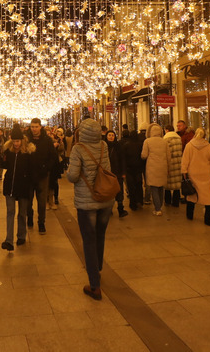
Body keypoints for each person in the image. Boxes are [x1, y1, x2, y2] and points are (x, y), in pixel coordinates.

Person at [67, 118, 115, 301]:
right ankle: (97, 268)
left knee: (88, 240)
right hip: (105, 199)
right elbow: (107, 169)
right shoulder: (103, 145)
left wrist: (79, 172)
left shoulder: (78, 149)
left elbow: (71, 176)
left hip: (87, 203)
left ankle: (94, 285)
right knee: (100, 235)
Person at [0, 125, 35, 250]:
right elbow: (4, 165)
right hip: (10, 185)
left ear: (22, 140)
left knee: (22, 213)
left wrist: (31, 186)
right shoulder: (8, 151)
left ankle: (21, 235)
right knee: (10, 212)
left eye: (18, 141)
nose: (16, 144)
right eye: (14, 141)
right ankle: (9, 240)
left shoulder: (28, 153)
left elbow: (31, 171)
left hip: (24, 186)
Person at [24, 118, 58, 234]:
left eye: (36, 126)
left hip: (42, 175)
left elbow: (53, 156)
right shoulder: (26, 139)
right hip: (28, 175)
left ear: (40, 127)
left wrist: (46, 168)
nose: (34, 129)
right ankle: (29, 217)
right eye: (32, 127)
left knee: (42, 201)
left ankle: (41, 222)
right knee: (28, 200)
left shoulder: (47, 140)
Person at [181, 128, 210, 223]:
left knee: (192, 194)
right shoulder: (209, 147)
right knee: (208, 196)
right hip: (206, 174)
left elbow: (185, 160)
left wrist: (184, 171)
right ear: (204, 135)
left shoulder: (189, 146)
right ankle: (208, 219)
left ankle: (190, 215)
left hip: (193, 173)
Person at [141, 123, 168, 215]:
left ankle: (157, 209)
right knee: (161, 187)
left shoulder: (147, 141)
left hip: (152, 167)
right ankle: (160, 205)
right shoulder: (164, 141)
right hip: (163, 167)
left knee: (154, 188)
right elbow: (169, 156)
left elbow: (144, 155)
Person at [104, 130, 128, 218]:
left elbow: (123, 160)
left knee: (119, 190)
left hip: (117, 172)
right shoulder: (104, 146)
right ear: (106, 136)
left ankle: (120, 209)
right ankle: (108, 209)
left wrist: (123, 172)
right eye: (109, 135)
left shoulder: (118, 146)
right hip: (107, 173)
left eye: (112, 135)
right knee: (108, 192)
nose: (111, 137)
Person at [121, 126, 145, 210]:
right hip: (138, 169)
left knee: (131, 187)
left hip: (129, 169)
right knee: (139, 185)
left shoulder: (126, 146)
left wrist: (123, 171)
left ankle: (133, 203)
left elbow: (123, 159)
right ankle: (140, 201)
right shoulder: (140, 145)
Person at [163, 125, 183, 207]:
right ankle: (176, 201)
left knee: (168, 183)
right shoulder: (178, 138)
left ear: (166, 130)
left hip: (170, 163)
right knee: (177, 183)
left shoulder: (165, 139)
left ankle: (167, 201)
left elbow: (165, 153)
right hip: (178, 162)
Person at [49, 127, 68, 210]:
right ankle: (48, 200)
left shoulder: (58, 140)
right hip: (47, 164)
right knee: (47, 183)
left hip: (56, 162)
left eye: (49, 134)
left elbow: (62, 150)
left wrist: (58, 144)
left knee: (55, 182)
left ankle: (55, 198)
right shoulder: (46, 143)